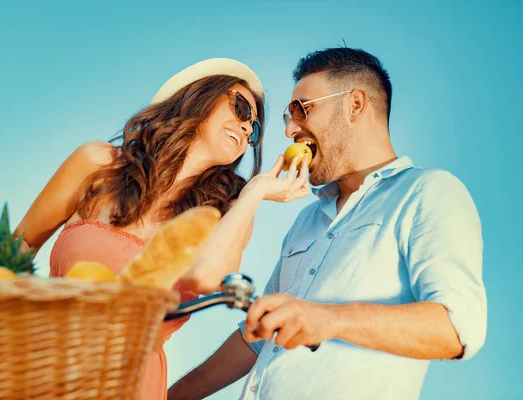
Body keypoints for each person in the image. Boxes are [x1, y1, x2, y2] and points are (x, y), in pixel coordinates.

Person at [168, 47, 487, 400]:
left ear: (355, 105)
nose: (290, 129)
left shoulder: (427, 192)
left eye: (302, 110)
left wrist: (330, 319)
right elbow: (256, 336)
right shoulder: (308, 219)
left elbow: (457, 328)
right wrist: (167, 396)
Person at [13, 58, 311, 400]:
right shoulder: (96, 165)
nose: (247, 129)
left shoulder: (227, 212)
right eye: (241, 108)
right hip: (39, 373)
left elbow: (210, 280)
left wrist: (254, 192)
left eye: (254, 129)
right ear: (198, 96)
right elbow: (12, 254)